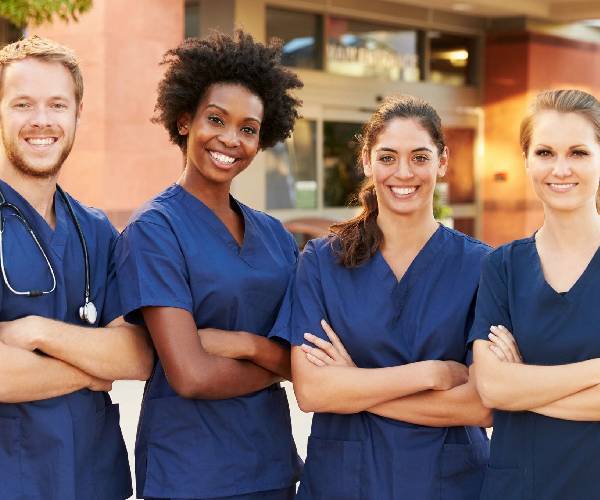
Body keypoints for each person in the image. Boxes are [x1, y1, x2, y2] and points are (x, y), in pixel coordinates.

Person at [112, 31, 303, 500]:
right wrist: (277, 364)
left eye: (248, 128)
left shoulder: (275, 235)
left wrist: (244, 344)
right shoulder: (155, 230)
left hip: (273, 468)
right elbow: (191, 376)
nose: (230, 139)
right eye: (215, 119)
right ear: (184, 121)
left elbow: (302, 360)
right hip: (192, 475)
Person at [278, 95, 492, 500]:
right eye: (388, 157)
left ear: (442, 162)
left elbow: (481, 405)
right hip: (346, 483)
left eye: (420, 157)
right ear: (367, 161)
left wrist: (354, 386)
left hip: (448, 484)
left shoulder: (481, 267)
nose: (404, 173)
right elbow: (312, 392)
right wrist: (428, 374)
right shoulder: (322, 262)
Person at [0, 36, 154, 500]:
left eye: (57, 104)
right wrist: (92, 372)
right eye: (23, 103)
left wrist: (36, 333)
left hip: (93, 480)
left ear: (77, 114)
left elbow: (137, 355)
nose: (42, 121)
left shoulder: (95, 229)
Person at [470, 89, 600, 500]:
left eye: (578, 152)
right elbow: (492, 389)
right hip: (519, 488)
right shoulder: (502, 267)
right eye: (545, 152)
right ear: (526, 160)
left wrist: (524, 387)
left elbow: (509, 389)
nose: (560, 168)